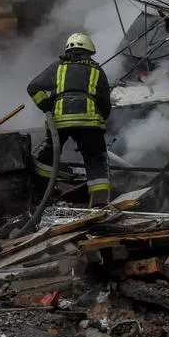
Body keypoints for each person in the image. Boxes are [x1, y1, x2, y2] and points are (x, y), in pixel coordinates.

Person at [26, 32, 113, 206]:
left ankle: (40, 198)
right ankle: (99, 203)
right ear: (88, 52)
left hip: (60, 121)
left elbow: (33, 87)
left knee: (48, 158)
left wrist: (47, 106)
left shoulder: (57, 67)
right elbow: (105, 103)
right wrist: (99, 122)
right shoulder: (97, 71)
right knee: (95, 159)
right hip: (90, 123)